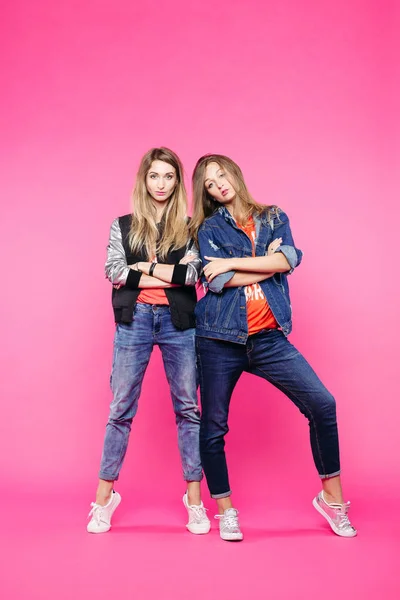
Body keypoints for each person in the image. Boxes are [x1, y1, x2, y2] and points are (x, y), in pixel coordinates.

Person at [190, 154, 357, 542]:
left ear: (235, 172)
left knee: (322, 403)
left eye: (222, 175)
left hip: (268, 337)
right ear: (207, 194)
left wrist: (251, 264)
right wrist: (272, 261)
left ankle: (332, 500)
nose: (219, 185)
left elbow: (290, 259)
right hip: (217, 336)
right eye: (210, 184)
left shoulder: (273, 216)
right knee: (213, 426)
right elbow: (216, 281)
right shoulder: (208, 227)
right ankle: (225, 510)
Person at [87, 147, 210, 535]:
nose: (161, 183)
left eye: (169, 177)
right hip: (134, 321)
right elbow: (113, 270)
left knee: (188, 408)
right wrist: (165, 275)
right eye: (154, 176)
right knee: (121, 408)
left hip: (179, 323)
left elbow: (194, 275)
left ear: (177, 182)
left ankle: (194, 499)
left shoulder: (191, 227)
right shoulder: (122, 225)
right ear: (144, 179)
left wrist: (146, 268)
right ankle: (104, 500)